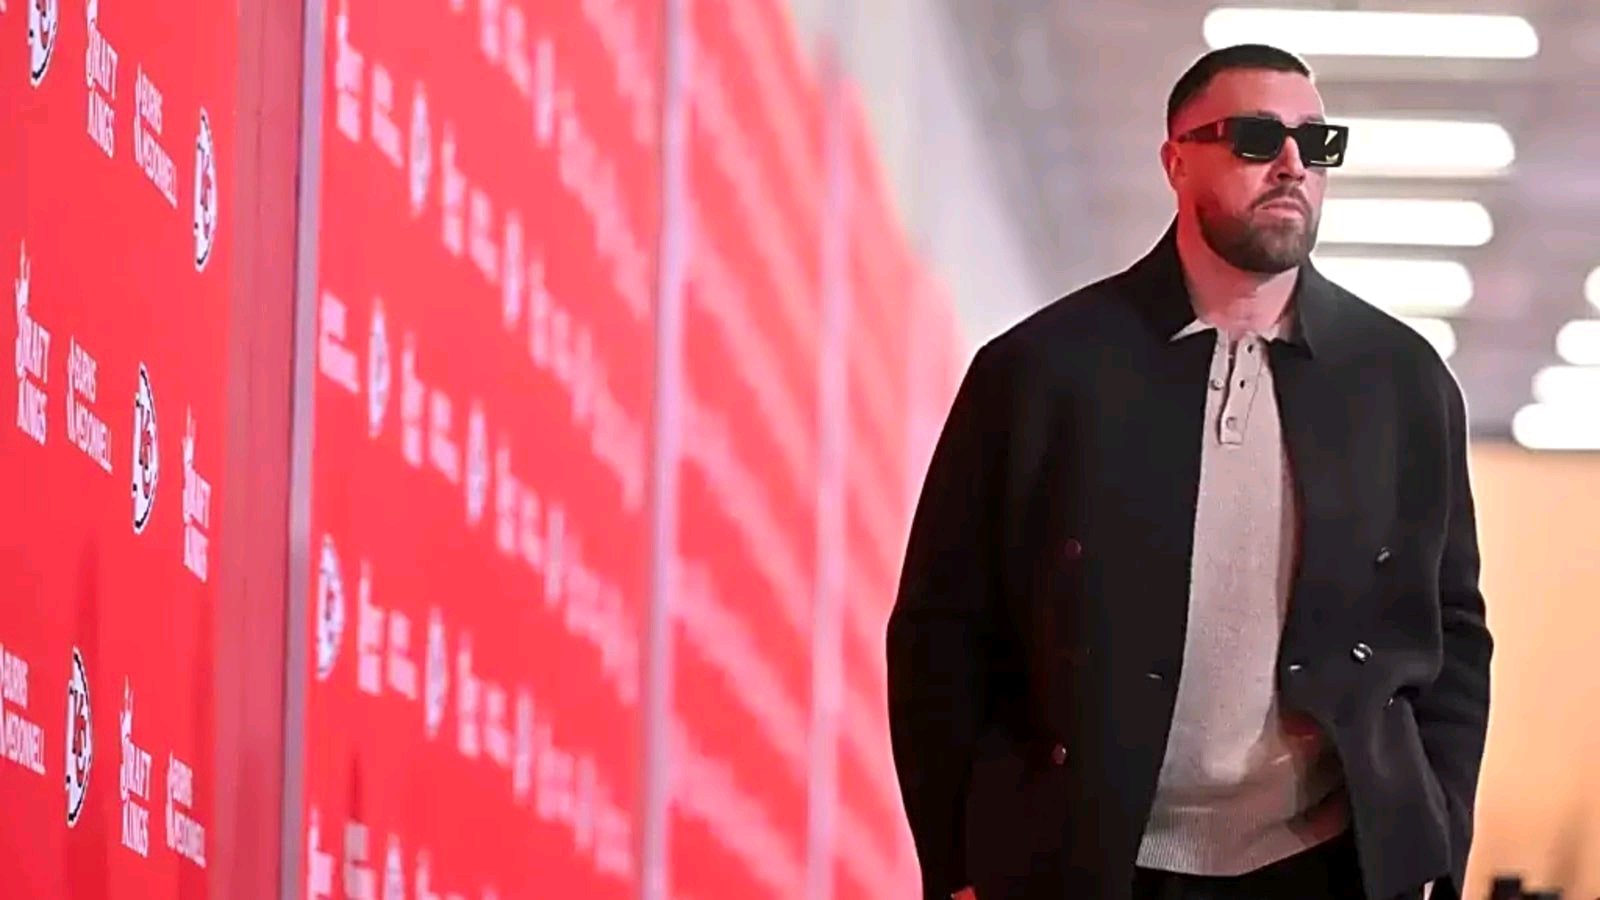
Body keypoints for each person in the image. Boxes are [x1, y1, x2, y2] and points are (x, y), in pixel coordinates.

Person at [886, 43, 1492, 900]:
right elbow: (942, 633)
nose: (1293, 165)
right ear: (1176, 161)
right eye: (1257, 138)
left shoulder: (1401, 383)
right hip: (1082, 861)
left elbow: (1451, 633)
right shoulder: (1041, 372)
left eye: (1317, 144)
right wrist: (957, 865)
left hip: (1326, 865)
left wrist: (1435, 838)